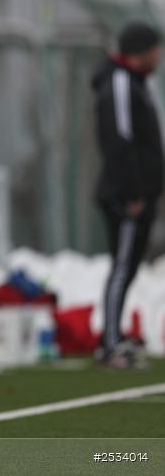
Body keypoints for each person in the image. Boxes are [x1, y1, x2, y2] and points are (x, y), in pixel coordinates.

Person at [92, 21, 163, 369]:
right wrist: (133, 192)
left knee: (129, 266)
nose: (159, 56)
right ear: (139, 52)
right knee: (122, 268)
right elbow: (119, 140)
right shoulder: (120, 82)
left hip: (141, 194)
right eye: (154, 49)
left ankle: (113, 338)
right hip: (126, 196)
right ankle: (109, 343)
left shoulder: (137, 85)